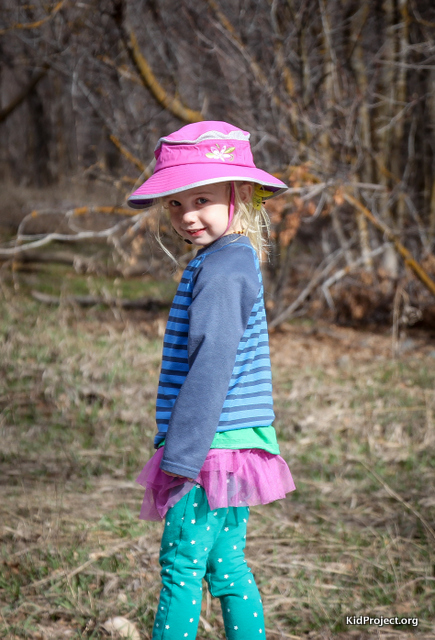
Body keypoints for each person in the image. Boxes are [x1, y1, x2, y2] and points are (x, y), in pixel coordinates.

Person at [127, 121, 296, 639]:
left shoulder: (221, 270)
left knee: (181, 570)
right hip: (232, 448)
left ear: (237, 193)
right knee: (227, 569)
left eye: (201, 199)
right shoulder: (232, 257)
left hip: (206, 452)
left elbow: (211, 366)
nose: (186, 216)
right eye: (175, 203)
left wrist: (180, 458)